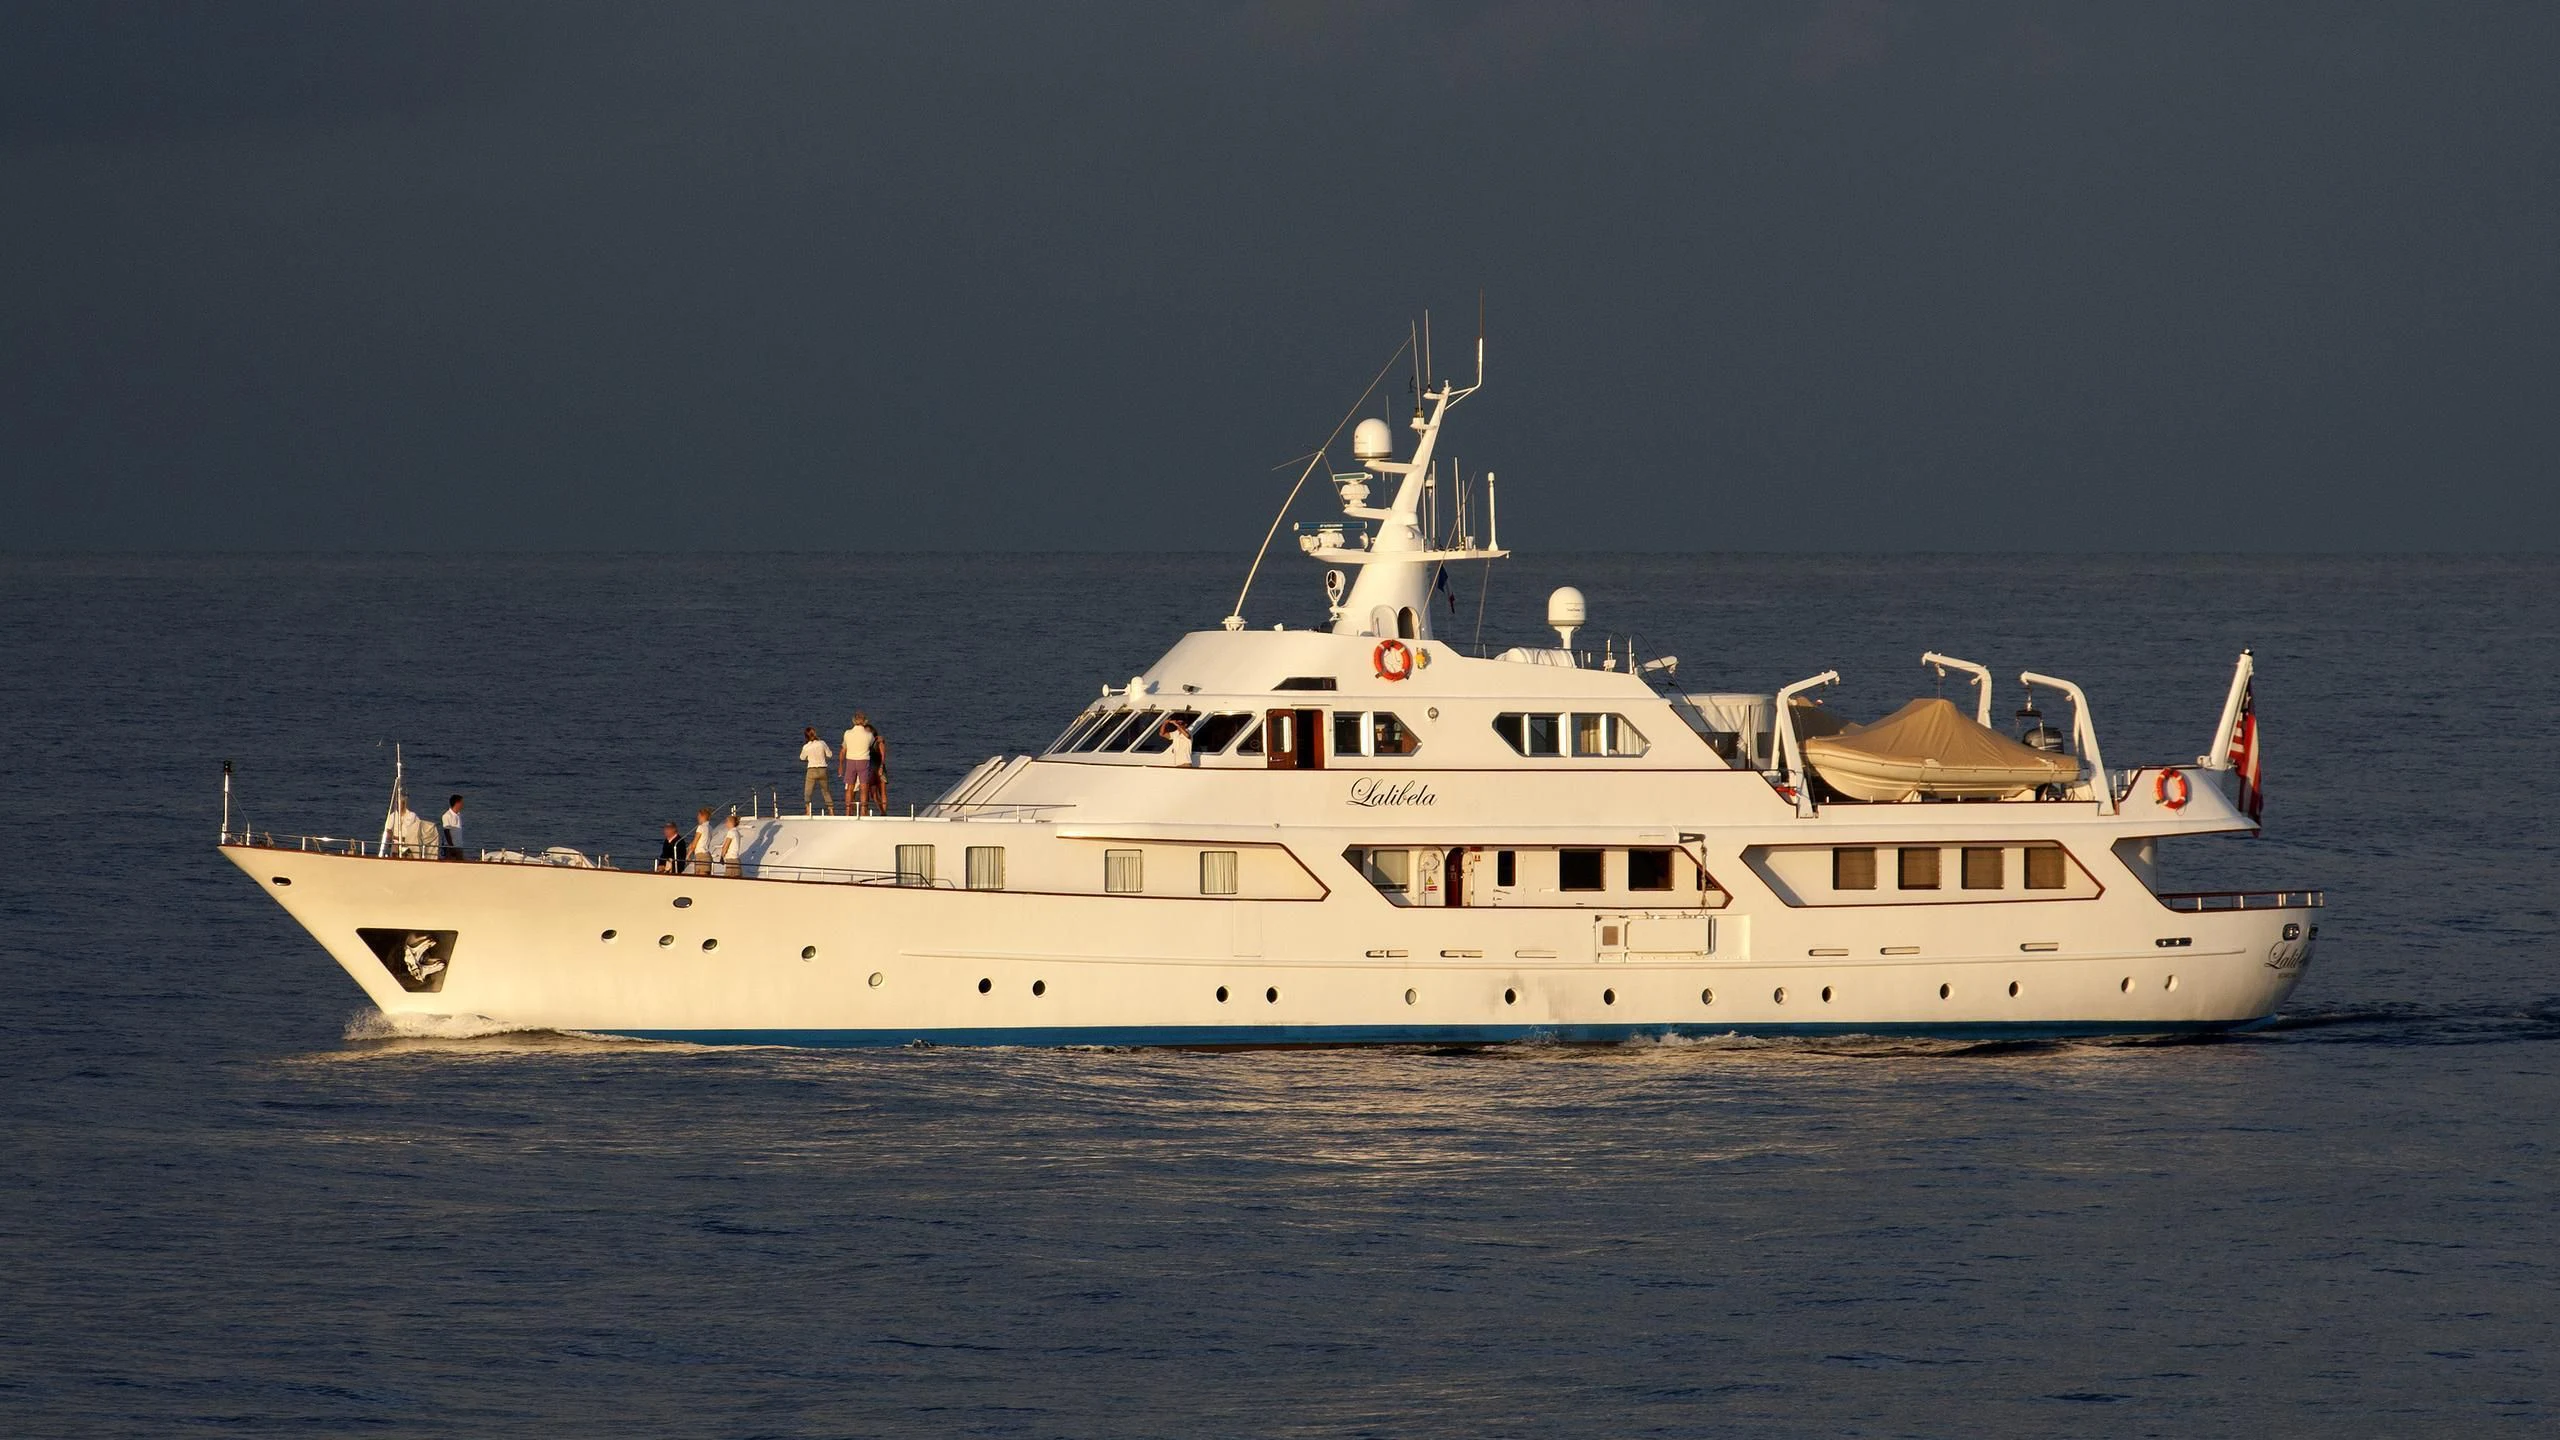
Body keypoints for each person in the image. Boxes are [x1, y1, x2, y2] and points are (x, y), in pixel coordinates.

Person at [843, 711, 876, 816]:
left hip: (850, 760)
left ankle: (848, 810)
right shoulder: (869, 735)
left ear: (854, 721)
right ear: (865, 722)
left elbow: (845, 746)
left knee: (850, 787)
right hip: (863, 760)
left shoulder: (847, 733)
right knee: (863, 786)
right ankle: (863, 810)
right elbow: (871, 745)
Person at [799, 727, 836, 815]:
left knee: (808, 791)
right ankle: (831, 810)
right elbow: (829, 754)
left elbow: (802, 757)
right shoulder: (822, 743)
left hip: (811, 770)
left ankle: (808, 810)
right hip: (822, 769)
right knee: (825, 790)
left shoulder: (806, 746)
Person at [863, 722, 891, 816]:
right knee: (873, 793)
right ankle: (881, 810)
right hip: (870, 769)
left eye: (867, 731)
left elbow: (883, 756)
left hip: (879, 767)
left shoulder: (878, 741)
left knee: (882, 791)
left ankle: (884, 812)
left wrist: (881, 767)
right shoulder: (865, 743)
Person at [714, 812, 744, 877]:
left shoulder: (731, 832)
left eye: (726, 822)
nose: (726, 824)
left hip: (731, 860)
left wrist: (722, 856)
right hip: (736, 859)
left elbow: (726, 846)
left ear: (730, 822)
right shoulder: (736, 832)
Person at [439, 795, 465, 860]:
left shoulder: (458, 815)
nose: (463, 805)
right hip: (451, 847)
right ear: (457, 803)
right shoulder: (447, 815)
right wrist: (451, 847)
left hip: (459, 846)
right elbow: (446, 832)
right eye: (461, 803)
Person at [690, 807, 714, 876]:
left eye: (699, 816)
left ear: (703, 816)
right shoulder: (710, 828)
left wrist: (688, 854)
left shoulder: (701, 827)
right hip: (707, 855)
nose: (697, 817)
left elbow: (695, 842)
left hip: (701, 856)